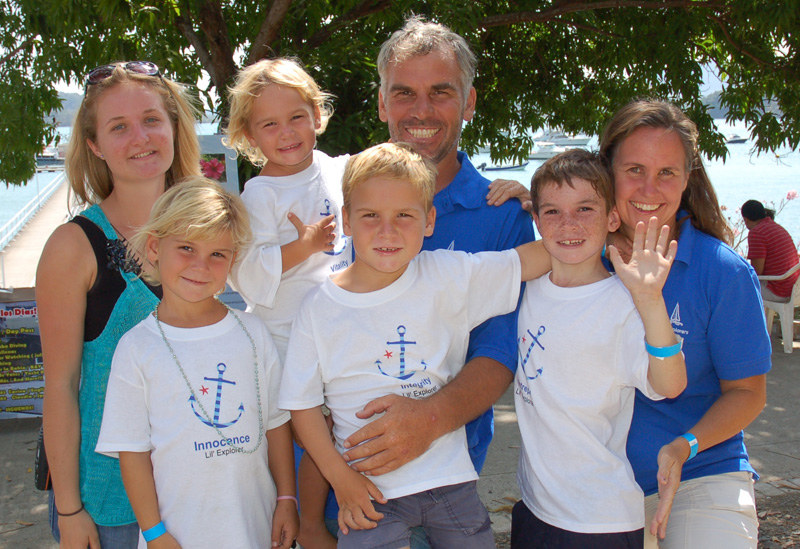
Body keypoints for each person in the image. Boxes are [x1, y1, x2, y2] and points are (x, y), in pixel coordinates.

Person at [280, 142, 548, 548]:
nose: (387, 231)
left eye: (404, 215)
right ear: (347, 220)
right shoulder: (319, 308)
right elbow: (302, 407)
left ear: (429, 220)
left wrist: (544, 210)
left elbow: (534, 259)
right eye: (370, 216)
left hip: (450, 483)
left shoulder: (447, 275)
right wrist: (340, 478)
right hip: (367, 491)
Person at [341, 15, 535, 486]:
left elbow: (498, 351)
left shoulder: (502, 217)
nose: (421, 111)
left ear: (468, 102)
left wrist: (425, 422)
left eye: (441, 92)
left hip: (441, 480)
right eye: (404, 93)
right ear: (382, 103)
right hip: (336, 477)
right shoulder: (337, 195)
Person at [36, 61, 200, 548]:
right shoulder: (73, 247)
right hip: (111, 507)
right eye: (119, 127)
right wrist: (70, 509)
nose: (140, 138)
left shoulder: (206, 228)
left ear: (173, 126)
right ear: (94, 145)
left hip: (199, 489)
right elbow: (61, 386)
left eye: (151, 120)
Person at [599, 99, 771, 548]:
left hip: (701, 472)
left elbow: (748, 393)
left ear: (687, 178)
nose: (649, 188)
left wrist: (684, 446)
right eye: (634, 169)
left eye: (666, 173)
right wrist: (523, 200)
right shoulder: (580, 259)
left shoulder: (723, 271)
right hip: (599, 485)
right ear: (607, 172)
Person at [95, 178, 297, 548]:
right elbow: (132, 453)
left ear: (233, 259)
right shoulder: (137, 348)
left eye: (217, 254)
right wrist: (154, 533)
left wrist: (287, 499)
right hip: (177, 536)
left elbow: (276, 424)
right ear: (155, 247)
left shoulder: (253, 333)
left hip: (255, 529)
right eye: (186, 248)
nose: (200, 266)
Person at [511, 149, 687, 548]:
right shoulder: (527, 289)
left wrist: (650, 300)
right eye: (553, 212)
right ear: (536, 220)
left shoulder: (622, 304)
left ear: (612, 218)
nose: (568, 224)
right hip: (536, 506)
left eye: (585, 209)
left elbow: (671, 384)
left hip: (598, 520)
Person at [225, 57, 352, 548]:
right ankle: (309, 521)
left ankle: (338, 513)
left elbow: (399, 163)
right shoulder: (259, 195)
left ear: (317, 115)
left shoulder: (337, 169)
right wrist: (304, 246)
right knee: (310, 428)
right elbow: (247, 275)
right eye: (269, 124)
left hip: (338, 330)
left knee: (337, 426)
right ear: (249, 136)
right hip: (286, 337)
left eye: (297, 117)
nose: (287, 133)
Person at [741, 199, 799, 302]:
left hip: (779, 290)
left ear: (745, 219)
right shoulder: (775, 226)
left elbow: (757, 272)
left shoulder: (757, 233)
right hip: (795, 288)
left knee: (736, 288)